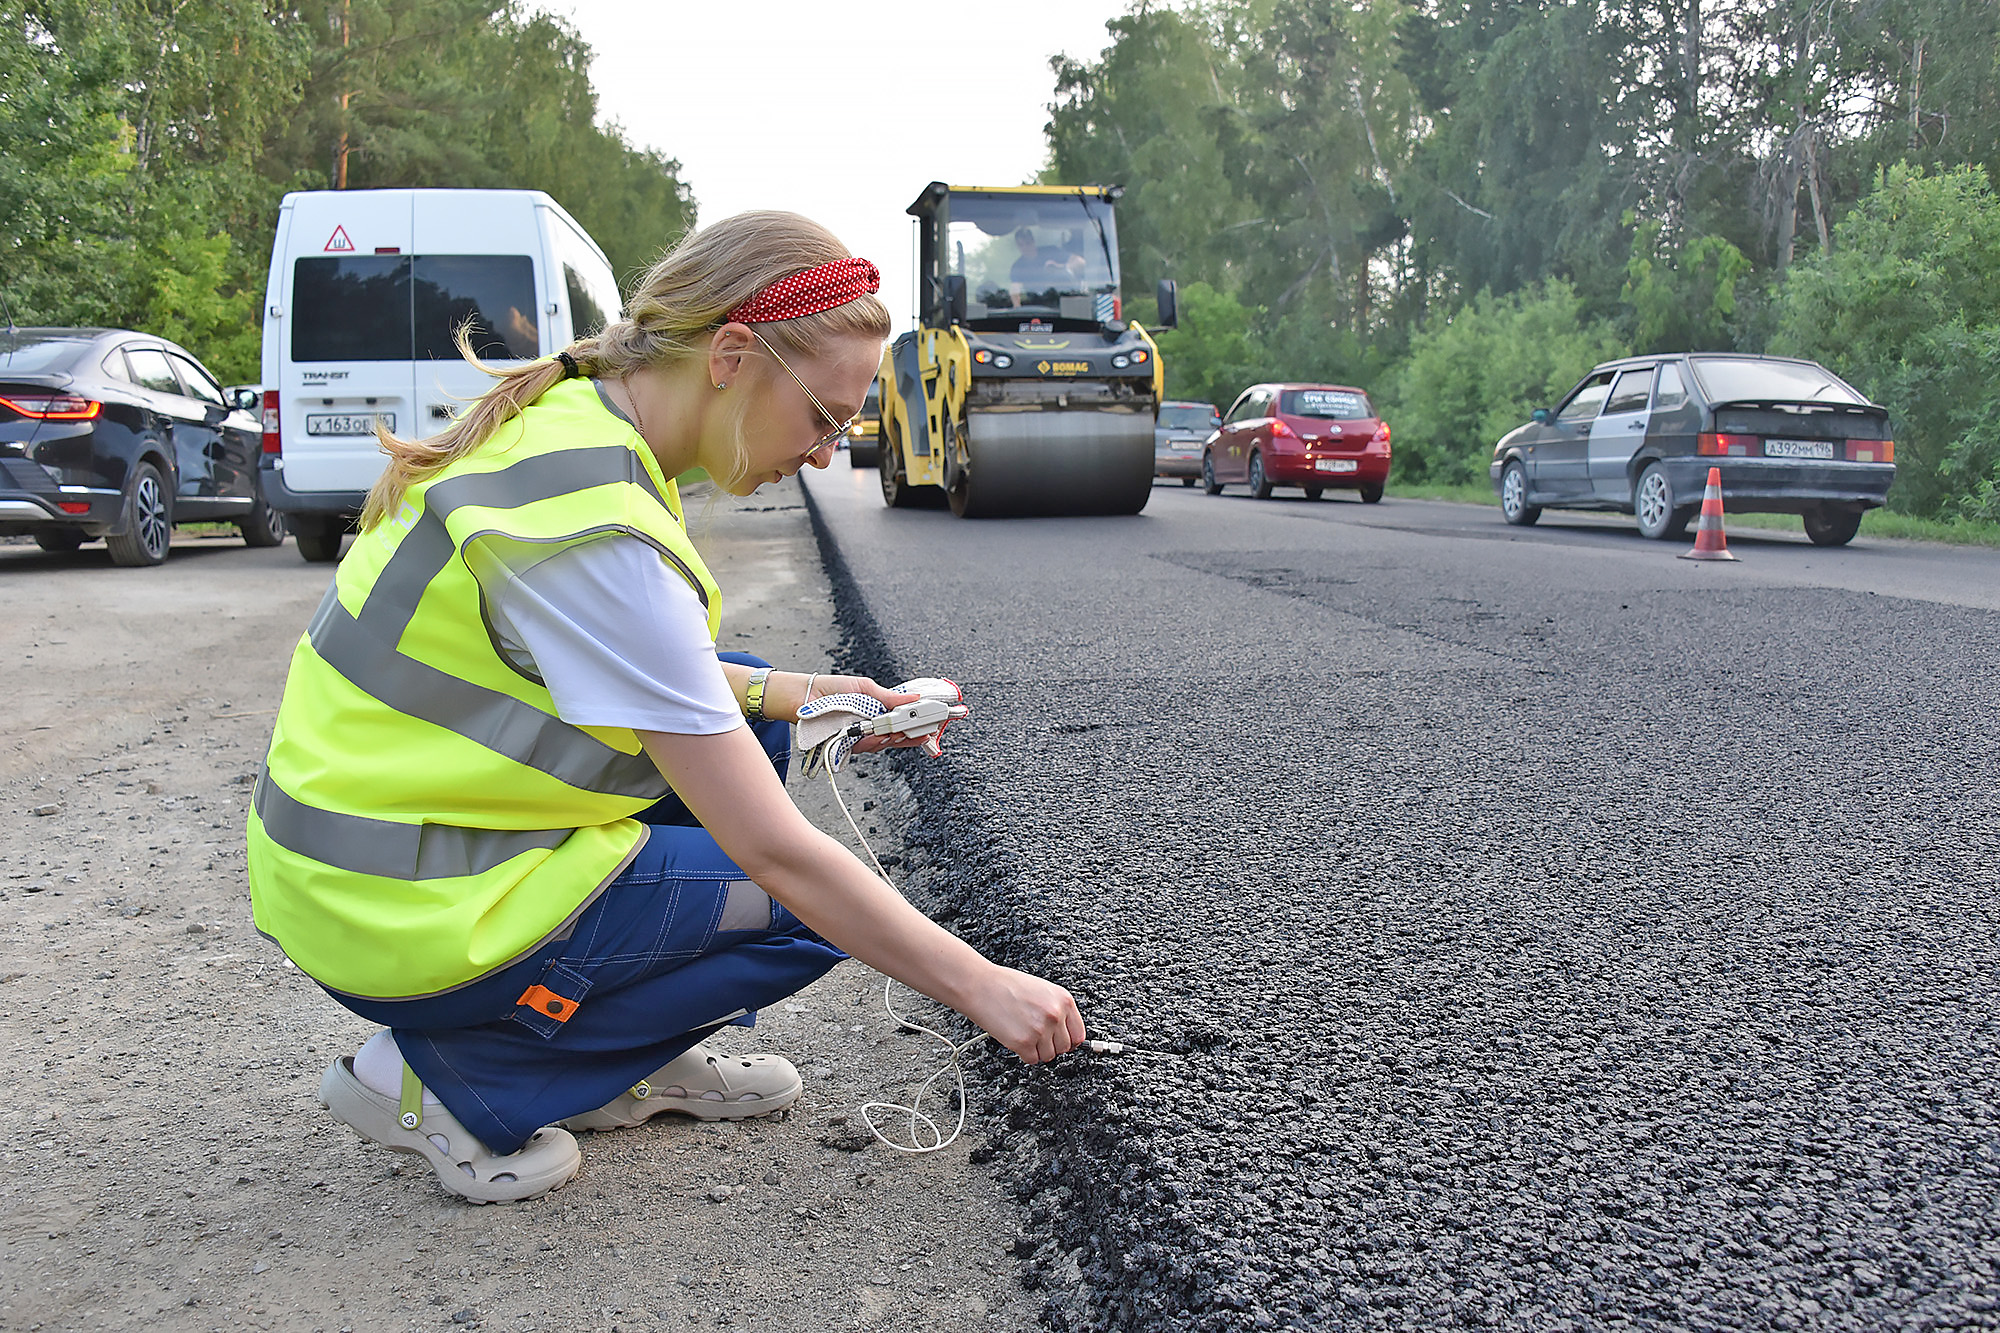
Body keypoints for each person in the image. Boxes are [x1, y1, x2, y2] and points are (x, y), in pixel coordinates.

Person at [247, 211, 1087, 1204]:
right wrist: (987, 986)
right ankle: (448, 1080)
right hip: (396, 909)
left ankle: (617, 1058)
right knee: (810, 909)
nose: (826, 454)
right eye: (821, 418)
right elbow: (776, 852)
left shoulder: (576, 422)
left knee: (752, 706)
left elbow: (636, 667)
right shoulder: (600, 532)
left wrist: (798, 694)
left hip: (370, 857)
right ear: (731, 357)